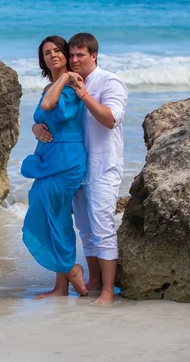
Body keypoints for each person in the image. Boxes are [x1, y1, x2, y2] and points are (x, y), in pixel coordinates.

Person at [33, 33, 128, 304]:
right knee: (85, 230)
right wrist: (35, 127)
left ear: (94, 55)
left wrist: (83, 93)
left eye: (80, 55)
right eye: (71, 55)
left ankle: (108, 291)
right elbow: (55, 118)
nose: (74, 60)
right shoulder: (69, 82)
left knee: (102, 228)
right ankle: (95, 282)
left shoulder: (109, 82)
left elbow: (110, 119)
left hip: (103, 165)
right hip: (77, 167)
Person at [21, 35, 87, 298]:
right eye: (47, 53)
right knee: (53, 218)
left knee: (49, 214)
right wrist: (35, 127)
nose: (53, 55)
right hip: (48, 158)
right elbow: (41, 117)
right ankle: (61, 287)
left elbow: (50, 105)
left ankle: (73, 271)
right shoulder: (53, 86)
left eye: (58, 50)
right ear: (42, 59)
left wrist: (64, 77)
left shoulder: (71, 87)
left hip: (66, 160)